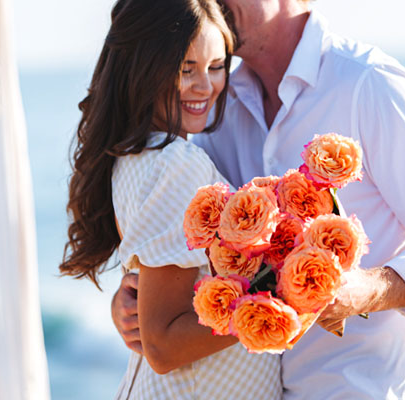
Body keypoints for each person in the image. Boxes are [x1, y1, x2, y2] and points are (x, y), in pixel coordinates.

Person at [111, 0, 405, 398]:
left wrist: (369, 289)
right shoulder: (216, 109)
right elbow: (193, 253)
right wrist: (136, 299)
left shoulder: (371, 83)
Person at [60, 0, 282, 398]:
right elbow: (162, 345)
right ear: (143, 67)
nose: (205, 86)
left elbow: (161, 295)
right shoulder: (175, 163)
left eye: (216, 67)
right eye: (185, 69)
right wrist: (286, 300)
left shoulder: (138, 154)